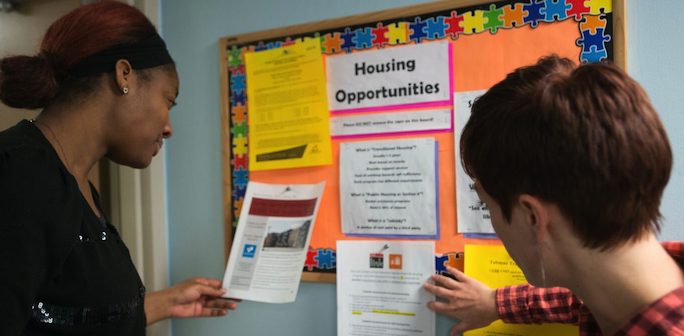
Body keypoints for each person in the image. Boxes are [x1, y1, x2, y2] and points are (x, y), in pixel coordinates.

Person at [0, 2, 237, 335]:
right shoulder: (19, 173)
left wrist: (167, 303)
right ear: (124, 75)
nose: (168, 127)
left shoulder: (76, 184)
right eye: (168, 100)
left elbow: (70, 313)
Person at [423, 56, 684, 336]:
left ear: (534, 217)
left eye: (487, 205)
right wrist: (496, 304)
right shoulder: (620, 292)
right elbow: (578, 298)